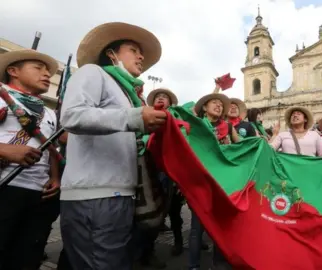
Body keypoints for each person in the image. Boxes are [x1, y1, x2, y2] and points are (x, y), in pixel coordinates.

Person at [59, 22, 165, 269]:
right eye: (133, 49)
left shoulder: (128, 95)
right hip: (95, 196)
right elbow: (72, 116)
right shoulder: (94, 73)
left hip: (119, 195)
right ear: (111, 54)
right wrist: (135, 118)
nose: (141, 56)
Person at [0, 49, 60, 269]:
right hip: (5, 187)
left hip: (39, 194)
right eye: (38, 68)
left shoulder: (49, 112)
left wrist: (54, 177)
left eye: (48, 71)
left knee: (27, 257)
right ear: (13, 71)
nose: (47, 74)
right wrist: (5, 150)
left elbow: (51, 147)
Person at [189, 86, 235, 269]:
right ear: (204, 107)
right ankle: (193, 265)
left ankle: (218, 264)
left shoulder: (228, 127)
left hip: (221, 183)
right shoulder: (195, 125)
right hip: (199, 183)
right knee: (196, 229)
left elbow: (241, 147)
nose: (218, 106)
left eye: (220, 104)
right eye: (214, 103)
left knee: (219, 228)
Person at [145, 87, 185, 258]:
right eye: (158, 97)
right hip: (150, 171)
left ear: (170, 103)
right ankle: (148, 251)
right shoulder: (145, 118)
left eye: (164, 97)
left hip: (170, 173)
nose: (161, 99)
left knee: (174, 211)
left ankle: (179, 242)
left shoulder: (176, 119)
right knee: (149, 212)